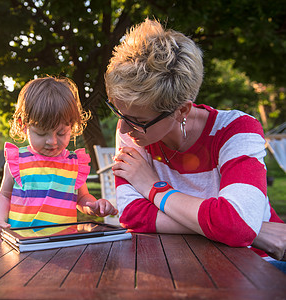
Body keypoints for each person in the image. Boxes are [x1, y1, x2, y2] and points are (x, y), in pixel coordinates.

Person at [104, 18, 286, 272]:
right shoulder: (134, 128)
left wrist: (153, 188)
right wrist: (255, 230)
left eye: (138, 121)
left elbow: (235, 225)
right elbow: (133, 215)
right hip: (182, 263)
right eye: (119, 114)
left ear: (181, 111)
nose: (123, 129)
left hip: (258, 263)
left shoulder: (236, 130)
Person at [0, 76, 118, 245]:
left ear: (71, 126)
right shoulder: (17, 161)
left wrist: (94, 205)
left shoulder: (74, 164)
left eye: (61, 133)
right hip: (22, 243)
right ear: (24, 125)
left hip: (62, 243)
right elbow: (5, 195)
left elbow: (82, 199)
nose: (52, 141)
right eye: (42, 133)